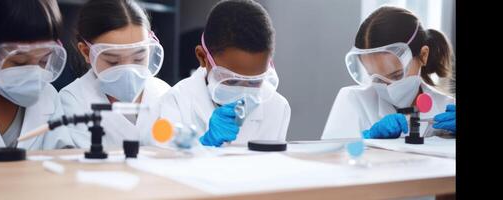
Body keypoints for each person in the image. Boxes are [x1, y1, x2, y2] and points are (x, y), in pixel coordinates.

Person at [157, 0, 291, 147]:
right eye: (232, 81)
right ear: (202, 57)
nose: (244, 95)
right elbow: (166, 165)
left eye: (255, 82)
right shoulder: (175, 102)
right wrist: (205, 144)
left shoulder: (278, 107)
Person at [322, 6, 455, 140]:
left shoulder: (447, 108)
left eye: (396, 75)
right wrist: (367, 138)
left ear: (423, 55)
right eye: (376, 78)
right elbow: (330, 156)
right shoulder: (353, 100)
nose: (388, 88)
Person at [0, 0, 74, 150]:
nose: (33, 74)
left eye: (43, 61)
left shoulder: (48, 97)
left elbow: (62, 159)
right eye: (19, 63)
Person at [59, 0, 171, 147]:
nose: (128, 71)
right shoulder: (73, 100)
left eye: (139, 58)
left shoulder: (163, 93)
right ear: (86, 52)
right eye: (113, 61)